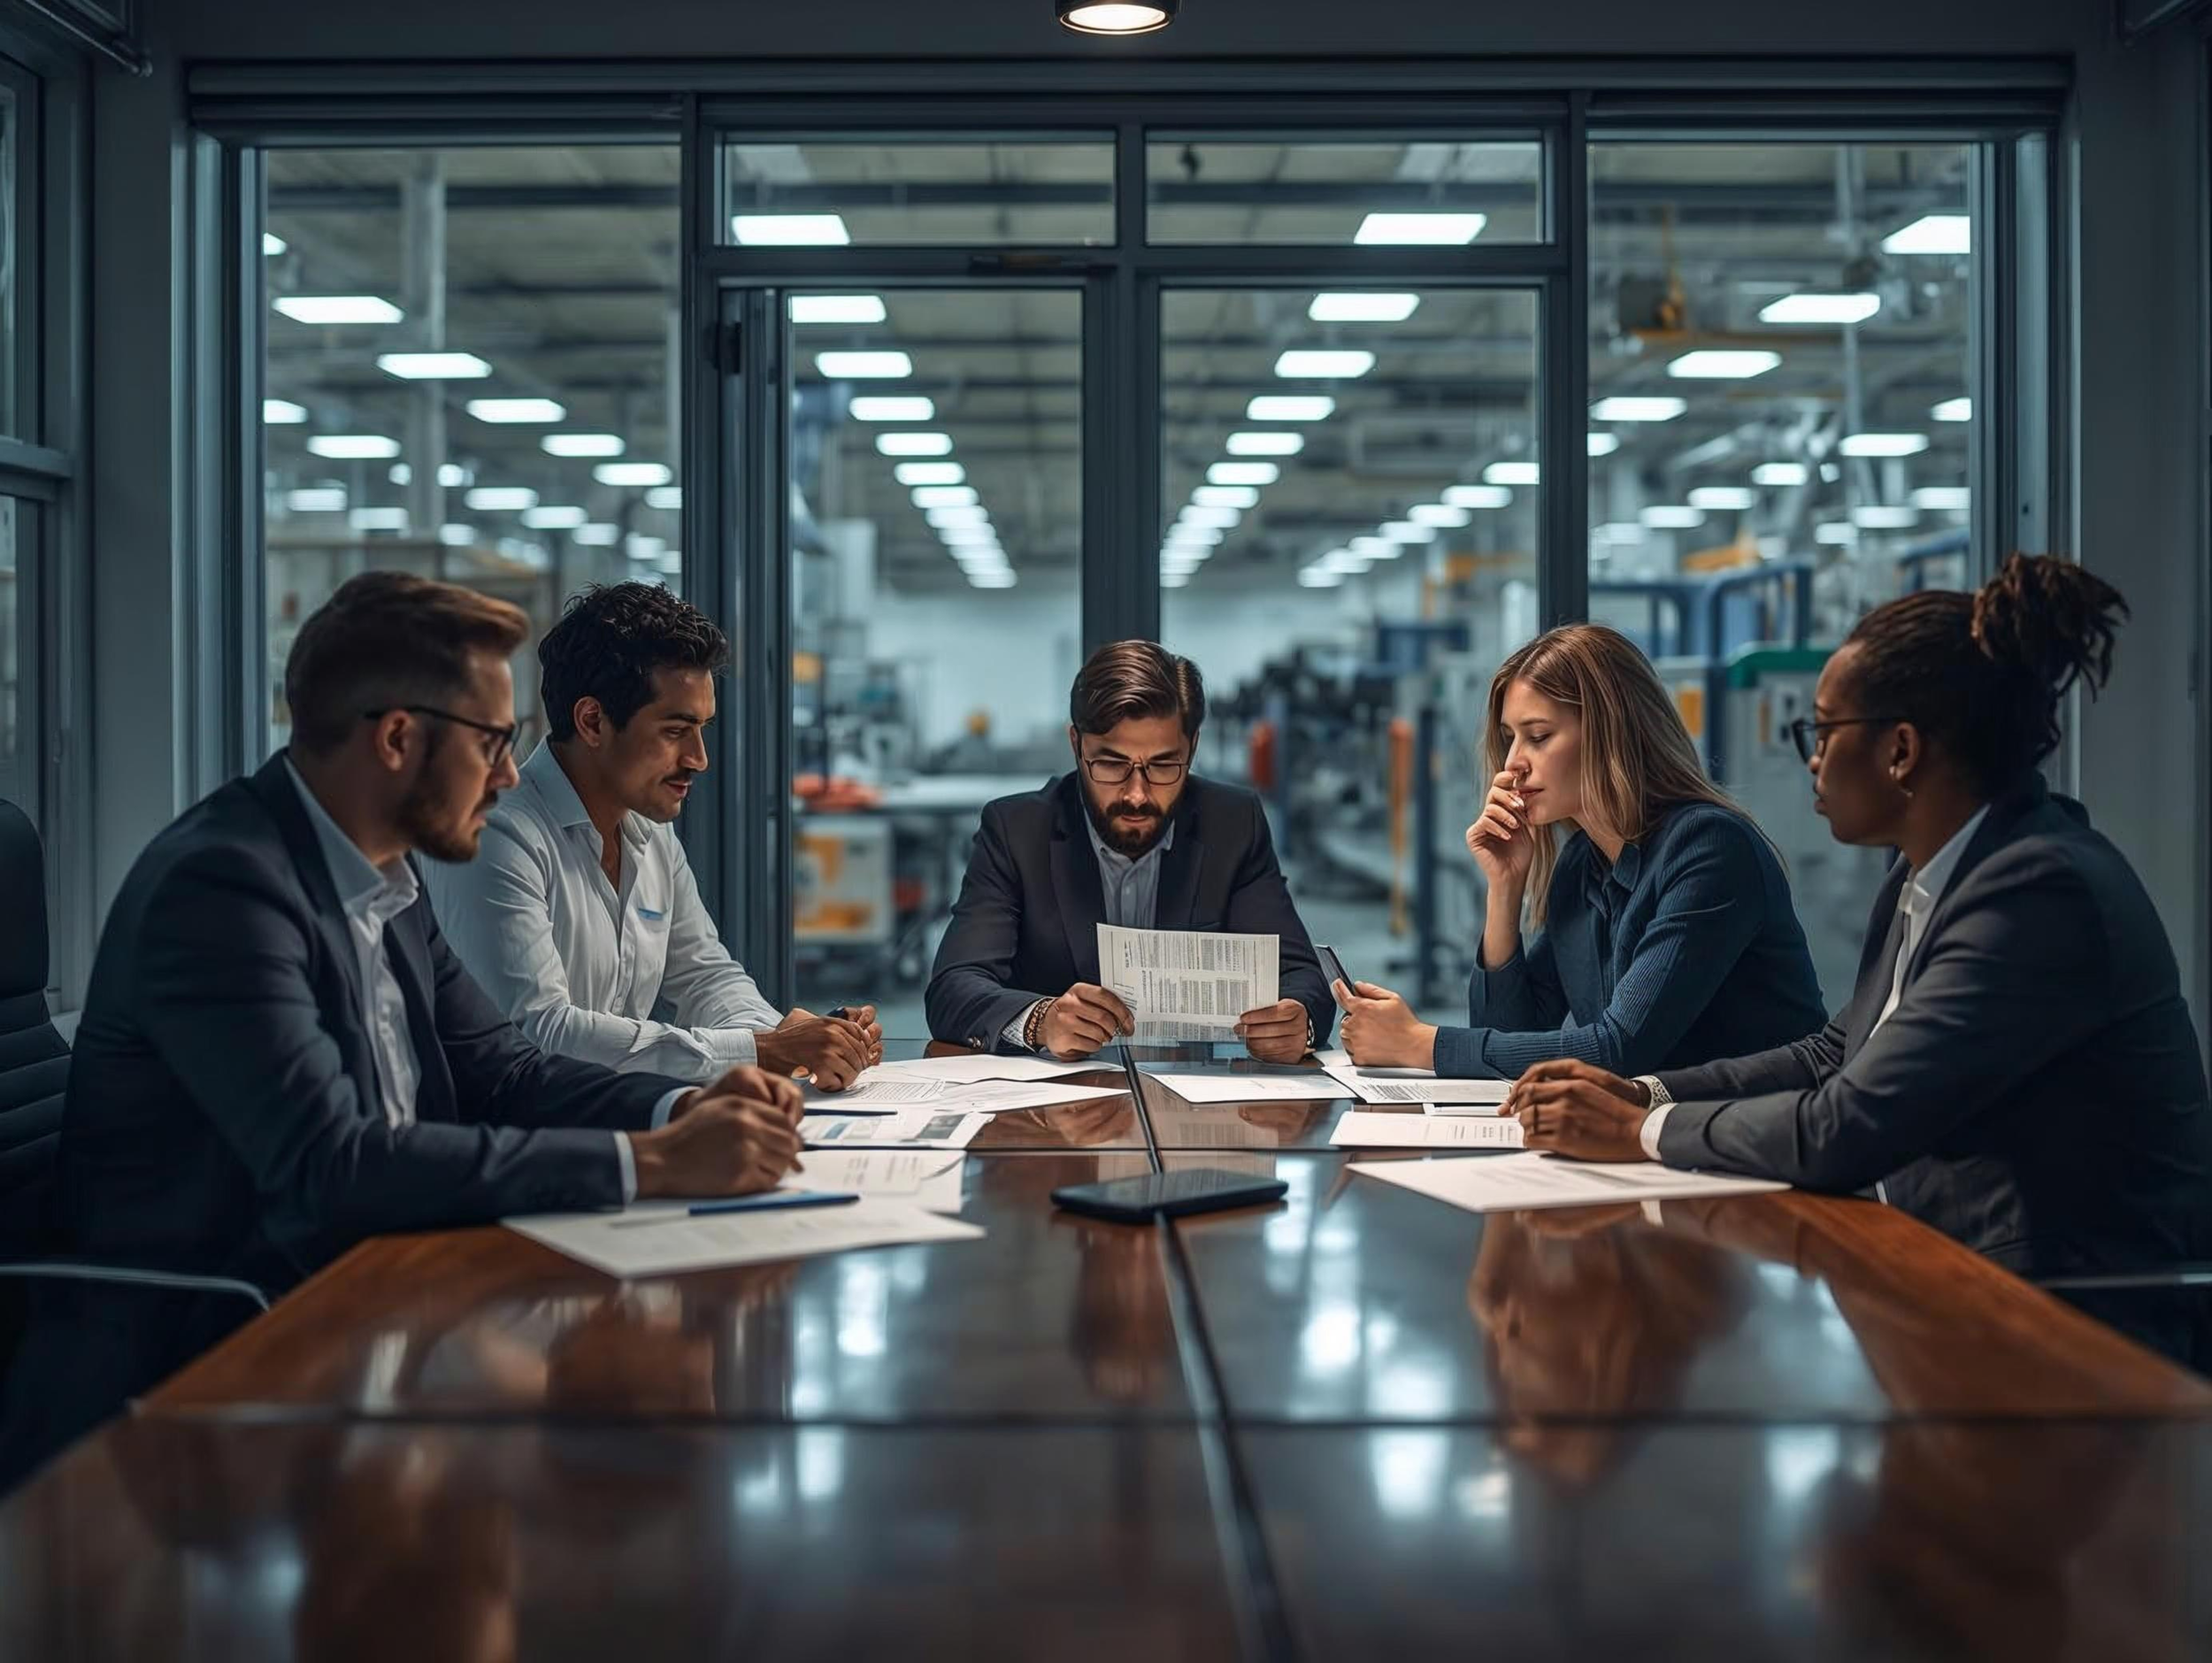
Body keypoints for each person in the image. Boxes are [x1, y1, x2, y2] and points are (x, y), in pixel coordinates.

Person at [59, 574, 805, 1292]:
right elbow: (336, 1164)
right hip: (230, 1332)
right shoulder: (224, 889)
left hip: (381, 1277)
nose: (510, 775)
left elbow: (509, 1070)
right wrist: (651, 1162)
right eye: (491, 742)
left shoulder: (386, 878)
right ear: (396, 739)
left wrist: (679, 1108)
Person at [1509, 556, 2212, 1277]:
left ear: (1900, 750)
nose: (1811, 761)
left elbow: (1848, 1124)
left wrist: (1640, 1128)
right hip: (1951, 1262)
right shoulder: (1931, 872)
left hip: (2078, 1308)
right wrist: (1644, 1091)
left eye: (1823, 731)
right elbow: (1829, 1055)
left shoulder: (2036, 893)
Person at [424, 582, 882, 1089]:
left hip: (613, 1121)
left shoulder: (647, 829)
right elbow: (539, 1033)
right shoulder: (500, 835)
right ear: (593, 721)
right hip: (520, 1143)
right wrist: (762, 1049)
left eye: (702, 728)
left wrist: (788, 1033)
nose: (699, 758)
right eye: (674, 731)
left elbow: (704, 974)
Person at [1334, 623, 1824, 1079]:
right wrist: (1505, 889)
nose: (1513, 765)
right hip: (1662, 1141)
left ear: (1612, 732)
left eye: (1539, 736)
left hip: (1759, 1145)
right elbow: (1511, 1038)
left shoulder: (1709, 850)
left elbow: (1617, 1052)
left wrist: (1422, 1044)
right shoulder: (1584, 864)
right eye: (1510, 739)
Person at [926, 640, 1332, 1061]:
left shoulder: (1232, 824)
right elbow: (954, 987)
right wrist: (1040, 1021)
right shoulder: (1017, 831)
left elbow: (1302, 978)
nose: (1137, 795)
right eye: (1111, 765)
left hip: (1195, 1106)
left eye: (1161, 766)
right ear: (1077, 746)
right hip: (1054, 1107)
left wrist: (1297, 1023)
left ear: (1192, 748)